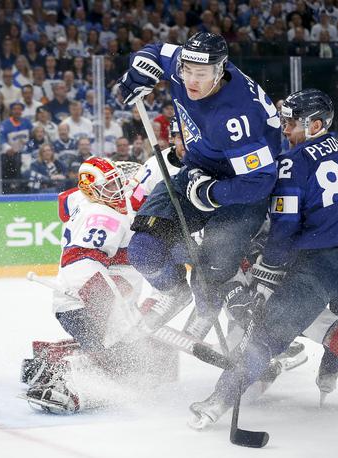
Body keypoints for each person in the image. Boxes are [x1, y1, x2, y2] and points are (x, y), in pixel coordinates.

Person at [189, 89, 338, 430]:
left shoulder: (294, 161)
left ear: (316, 124)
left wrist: (266, 277)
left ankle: (217, 401)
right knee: (321, 321)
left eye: (292, 123)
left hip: (327, 260)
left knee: (265, 331)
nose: (286, 129)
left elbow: (284, 227)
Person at [116, 32, 281, 334]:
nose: (191, 81)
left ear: (220, 71)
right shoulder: (186, 63)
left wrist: (211, 193)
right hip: (196, 170)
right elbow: (153, 51)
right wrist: (139, 69)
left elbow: (260, 181)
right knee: (143, 247)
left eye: (201, 74)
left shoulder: (235, 119)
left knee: (214, 265)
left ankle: (212, 314)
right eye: (186, 71)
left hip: (240, 191)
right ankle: (174, 292)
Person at [21, 157, 174, 414]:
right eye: (111, 187)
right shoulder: (105, 216)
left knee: (124, 354)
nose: (120, 191)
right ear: (92, 188)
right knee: (126, 361)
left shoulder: (83, 198)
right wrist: (114, 314)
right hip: (81, 304)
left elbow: (63, 202)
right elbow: (82, 266)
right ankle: (63, 379)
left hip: (83, 300)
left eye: (119, 184)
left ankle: (46, 363)